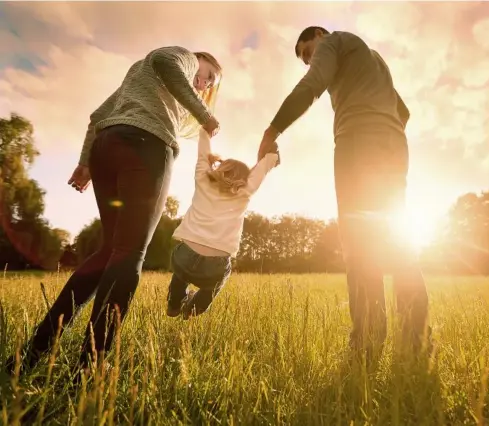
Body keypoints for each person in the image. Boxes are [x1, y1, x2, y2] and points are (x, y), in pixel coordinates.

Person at [5, 46, 223, 377]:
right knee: (130, 253)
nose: (204, 84)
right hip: (147, 147)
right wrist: (204, 113)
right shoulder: (180, 57)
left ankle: (34, 351)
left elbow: (97, 116)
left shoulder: (143, 82)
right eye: (208, 75)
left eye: (210, 84)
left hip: (107, 148)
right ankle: (91, 364)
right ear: (198, 60)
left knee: (109, 251)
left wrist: (84, 163)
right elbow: (167, 62)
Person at [257, 27, 430, 356]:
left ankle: (366, 344)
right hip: (394, 144)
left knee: (360, 243)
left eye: (309, 53)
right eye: (306, 59)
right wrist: (383, 130)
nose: (310, 62)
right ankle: (416, 341)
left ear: (319, 36)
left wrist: (272, 129)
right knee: (397, 239)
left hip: (357, 143)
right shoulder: (373, 58)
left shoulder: (333, 42)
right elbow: (403, 112)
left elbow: (312, 85)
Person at [166, 128, 279, 319]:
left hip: (185, 254)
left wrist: (205, 131)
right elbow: (262, 169)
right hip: (215, 264)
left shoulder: (203, 178)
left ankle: (174, 304)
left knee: (180, 274)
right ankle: (193, 310)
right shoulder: (245, 192)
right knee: (213, 285)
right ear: (244, 180)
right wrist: (271, 155)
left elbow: (203, 153)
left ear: (220, 169)